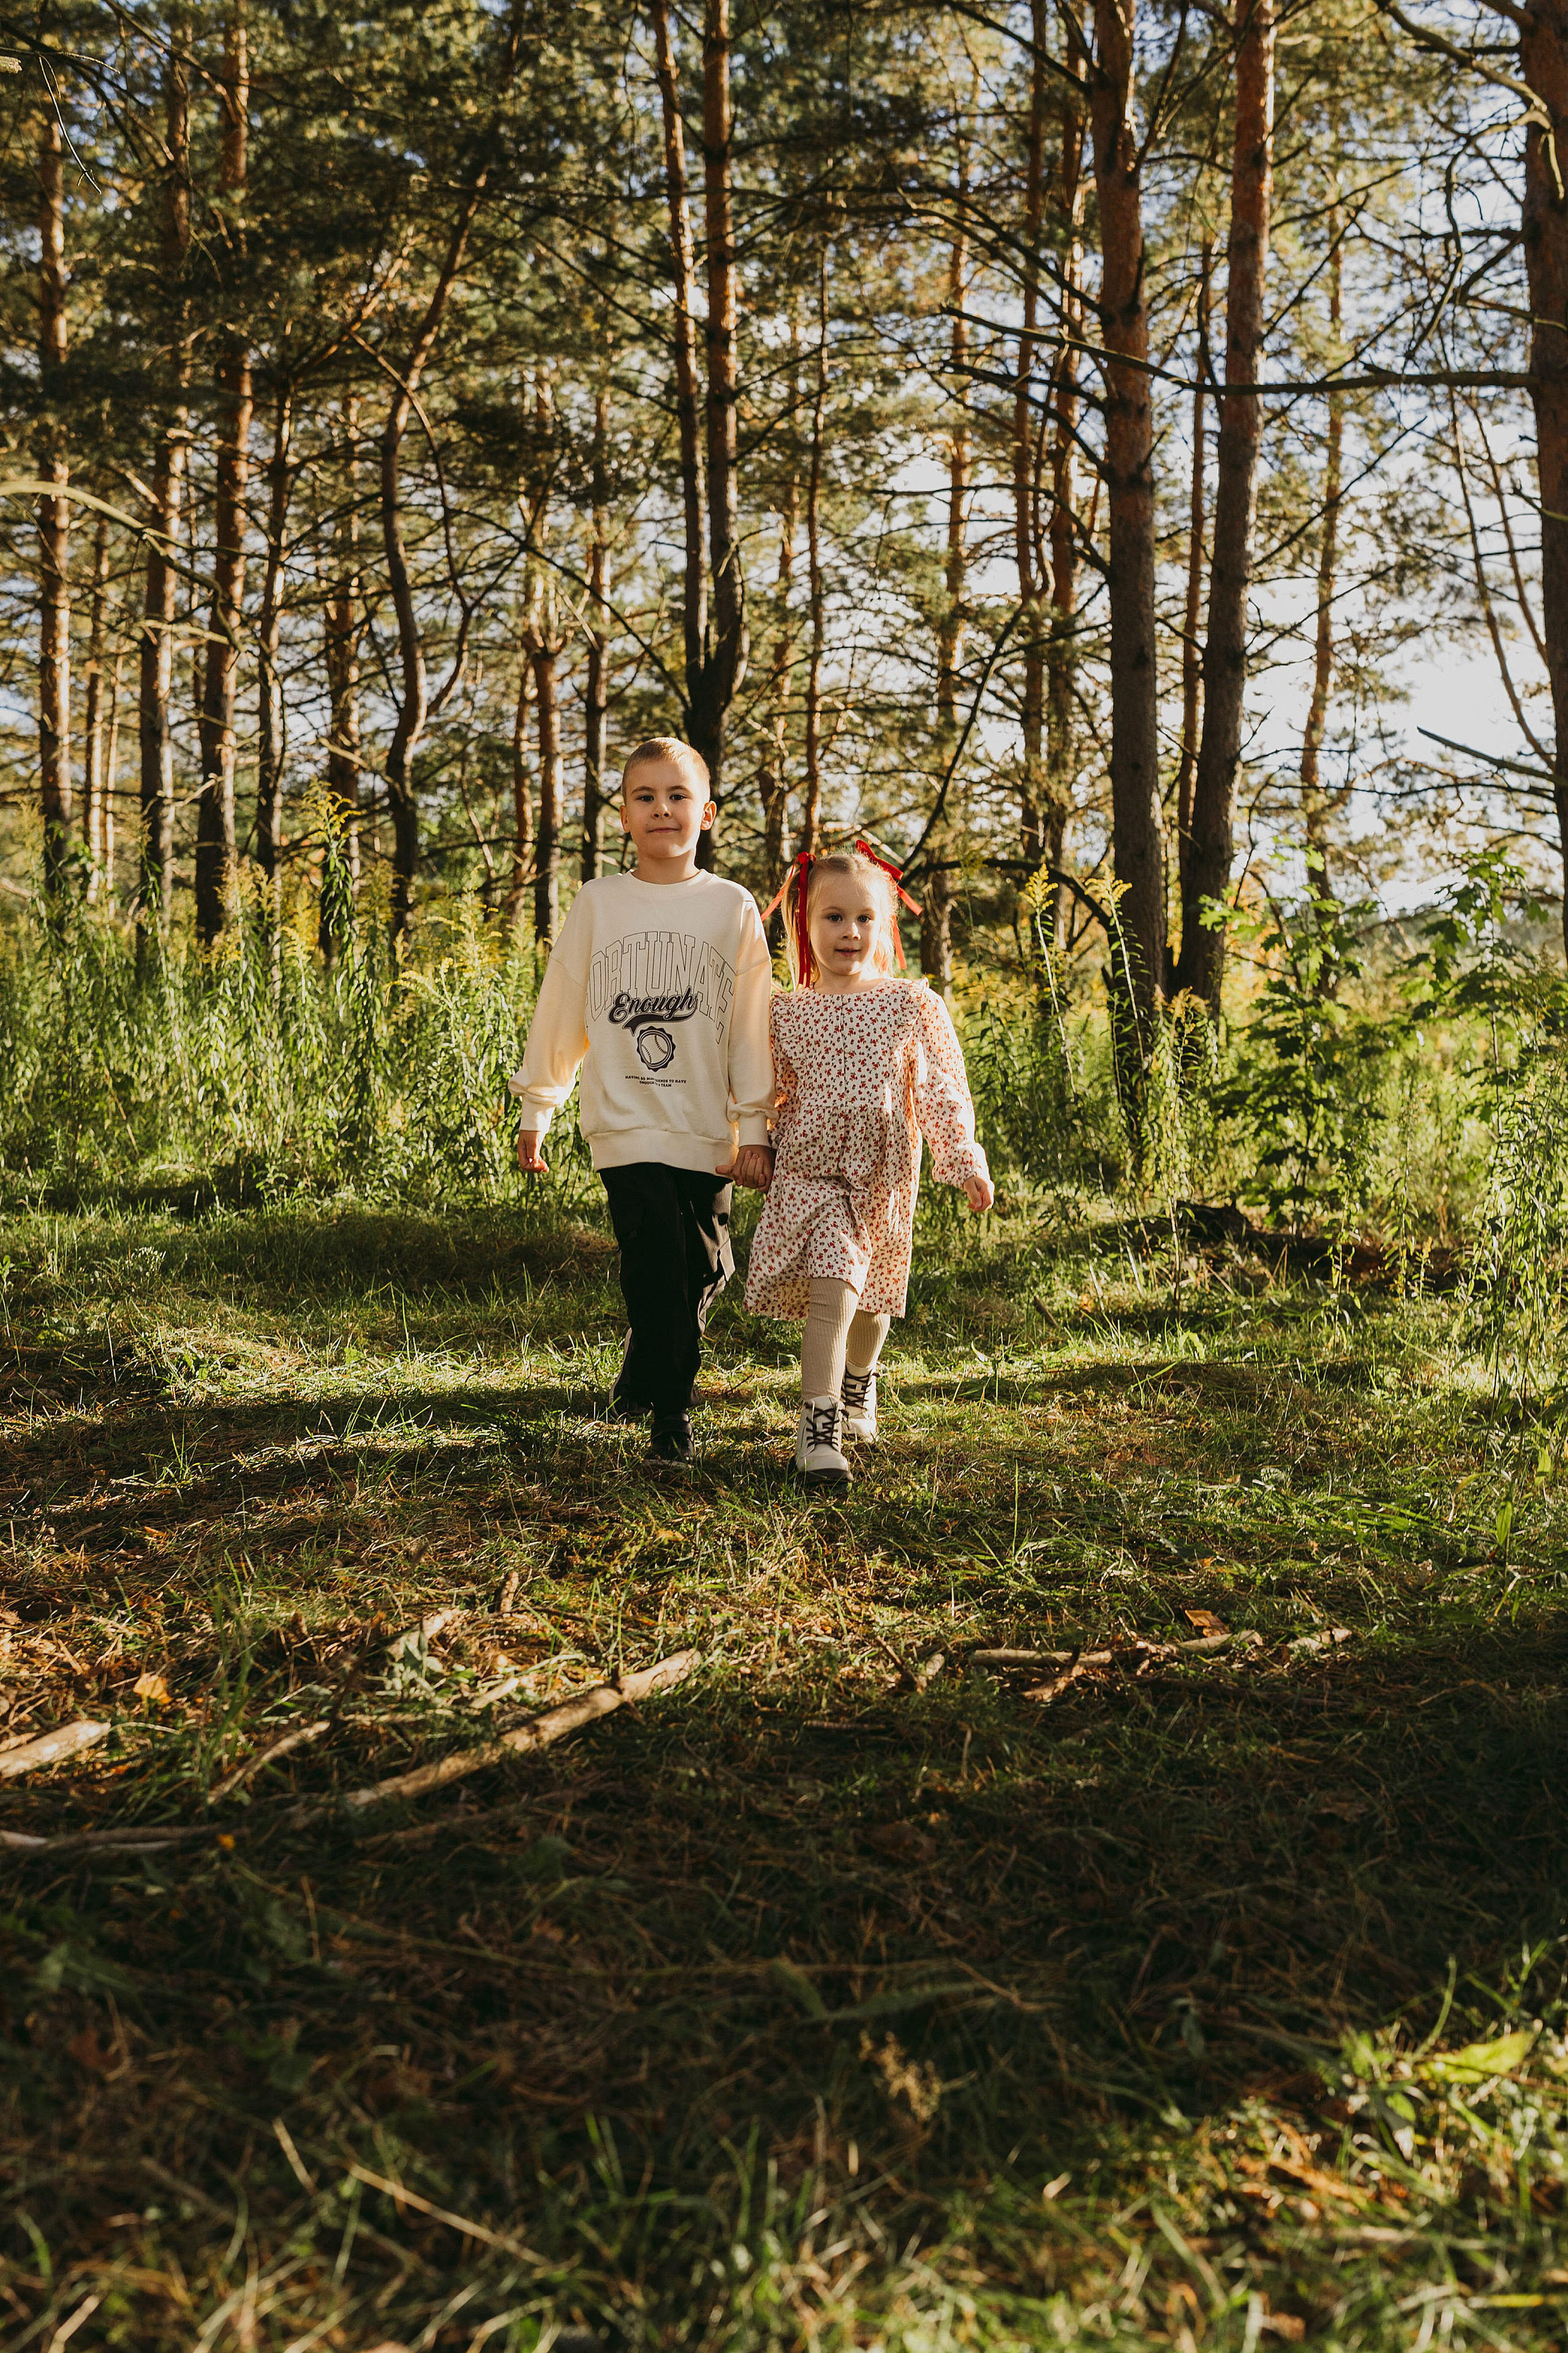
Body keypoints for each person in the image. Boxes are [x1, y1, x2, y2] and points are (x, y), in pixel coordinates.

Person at [511, 738, 775, 1462]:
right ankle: (670, 1415)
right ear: (623, 816)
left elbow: (754, 1023)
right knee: (655, 1260)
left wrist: (756, 1125)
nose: (662, 809)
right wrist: (540, 1105)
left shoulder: (731, 906)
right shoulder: (600, 901)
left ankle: (639, 1374)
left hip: (706, 1126)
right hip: (625, 1125)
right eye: (645, 797)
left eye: (678, 796)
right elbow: (560, 1006)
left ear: (708, 814)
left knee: (708, 1267)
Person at [745, 845, 993, 1490]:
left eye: (863, 919)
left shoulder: (911, 1004)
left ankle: (859, 1381)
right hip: (810, 1172)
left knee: (872, 1300)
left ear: (884, 927)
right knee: (832, 1286)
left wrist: (962, 1159)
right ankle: (816, 1428)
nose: (848, 932)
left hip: (880, 1176)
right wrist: (746, 1140)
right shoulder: (785, 1010)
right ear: (805, 923)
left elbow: (941, 1088)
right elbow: (766, 1089)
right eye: (832, 917)